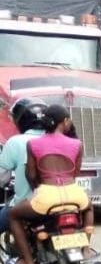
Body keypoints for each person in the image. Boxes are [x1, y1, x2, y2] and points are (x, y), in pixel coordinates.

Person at [6, 105, 96, 264]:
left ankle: (28, 262)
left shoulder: (33, 144)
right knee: (89, 207)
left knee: (13, 215)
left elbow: (31, 174)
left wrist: (38, 188)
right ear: (65, 121)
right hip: (73, 193)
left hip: (47, 195)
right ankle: (86, 249)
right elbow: (75, 173)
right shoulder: (77, 144)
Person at [0, 98, 50, 238]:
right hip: (64, 202)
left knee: (9, 215)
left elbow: (2, 177)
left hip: (29, 204)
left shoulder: (16, 142)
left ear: (21, 120)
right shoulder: (58, 139)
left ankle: (24, 252)